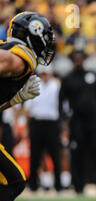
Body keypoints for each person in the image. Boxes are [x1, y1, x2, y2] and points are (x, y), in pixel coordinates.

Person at [0, 11, 55, 201]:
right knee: (14, 180)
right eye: (46, 38)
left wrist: (15, 99)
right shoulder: (23, 58)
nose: (48, 43)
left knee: (14, 179)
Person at [59, 50, 96, 195]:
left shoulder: (92, 76)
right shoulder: (68, 79)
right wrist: (64, 122)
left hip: (93, 121)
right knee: (77, 154)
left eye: (81, 58)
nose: (79, 61)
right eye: (76, 59)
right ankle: (78, 186)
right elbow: (61, 102)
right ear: (73, 60)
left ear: (84, 60)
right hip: (77, 121)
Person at [24, 63, 62, 192]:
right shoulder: (35, 85)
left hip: (52, 123)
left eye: (47, 73)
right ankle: (33, 184)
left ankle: (58, 185)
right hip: (37, 122)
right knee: (35, 155)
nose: (45, 76)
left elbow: (62, 108)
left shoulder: (57, 86)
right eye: (43, 73)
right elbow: (28, 108)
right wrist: (27, 127)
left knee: (55, 155)